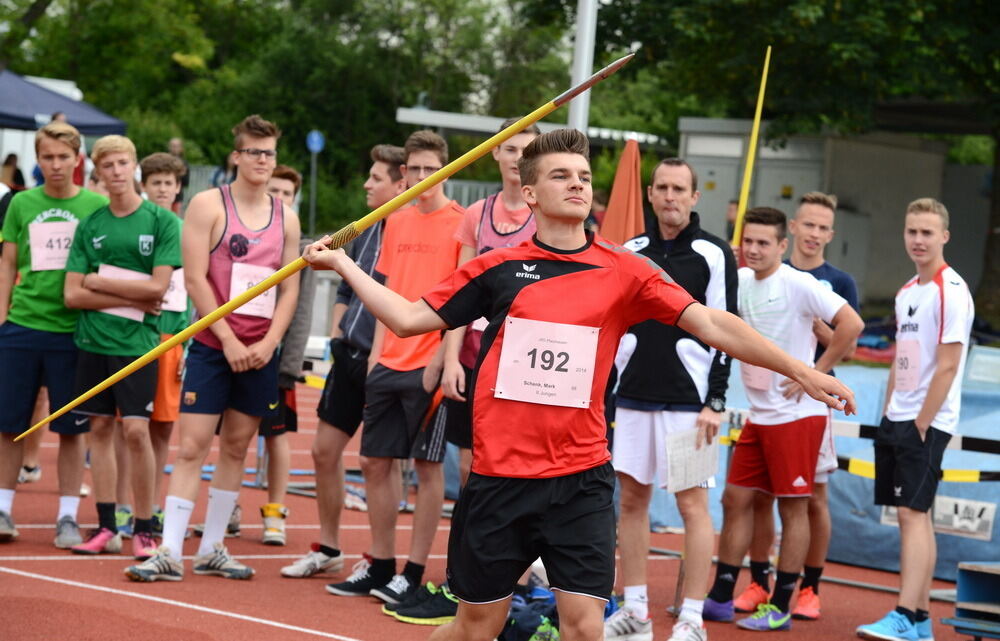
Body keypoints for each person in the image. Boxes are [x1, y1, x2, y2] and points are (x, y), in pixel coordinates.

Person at [302, 129, 856, 641]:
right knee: (477, 625)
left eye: (584, 176)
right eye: (561, 175)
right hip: (501, 477)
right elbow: (406, 318)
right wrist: (344, 265)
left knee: (586, 626)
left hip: (580, 478)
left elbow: (712, 322)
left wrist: (803, 370)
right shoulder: (496, 268)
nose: (577, 184)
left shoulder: (623, 269)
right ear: (530, 191)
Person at [125, 115, 300, 582]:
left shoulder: (287, 216)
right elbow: (197, 278)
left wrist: (269, 342)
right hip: (210, 345)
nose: (263, 161)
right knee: (192, 448)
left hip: (261, 350)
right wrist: (225, 339)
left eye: (270, 153)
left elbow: (290, 290)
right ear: (237, 156)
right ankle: (168, 550)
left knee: (237, 447)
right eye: (255, 152)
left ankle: (213, 547)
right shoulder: (208, 205)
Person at [703, 207, 863, 632]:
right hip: (759, 415)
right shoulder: (740, 283)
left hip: (798, 415)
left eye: (762, 243)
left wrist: (817, 371)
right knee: (735, 500)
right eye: (748, 242)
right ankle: (721, 595)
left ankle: (783, 603)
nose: (753, 250)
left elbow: (852, 323)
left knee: (795, 509)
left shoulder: (798, 283)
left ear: (781, 246)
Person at [325, 130, 463, 605]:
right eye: (416, 169)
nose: (424, 178)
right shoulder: (395, 221)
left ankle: (414, 572)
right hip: (388, 358)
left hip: (429, 362)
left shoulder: (461, 225)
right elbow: (387, 290)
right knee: (372, 461)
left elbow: (461, 302)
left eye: (433, 169)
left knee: (427, 469)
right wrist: (379, 355)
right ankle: (380, 563)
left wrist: (441, 357)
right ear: (405, 172)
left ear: (447, 170)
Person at [604, 158, 737, 641]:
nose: (670, 196)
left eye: (679, 188)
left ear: (695, 197)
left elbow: (726, 329)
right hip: (634, 399)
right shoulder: (630, 252)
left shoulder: (715, 255)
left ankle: (692, 618)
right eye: (662, 187)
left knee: (692, 508)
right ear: (650, 193)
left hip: (689, 406)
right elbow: (613, 323)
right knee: (632, 502)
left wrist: (715, 402)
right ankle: (635, 610)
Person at [281, 145, 406, 578]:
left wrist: (377, 351)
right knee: (322, 451)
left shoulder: (408, 231)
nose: (367, 184)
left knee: (379, 462)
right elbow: (343, 287)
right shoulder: (364, 227)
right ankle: (329, 546)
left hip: (388, 360)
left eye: (375, 178)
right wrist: (337, 334)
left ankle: (379, 558)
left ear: (400, 182)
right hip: (348, 355)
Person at [856, 198, 974, 641]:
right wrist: (890, 411)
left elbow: (947, 365)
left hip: (926, 421)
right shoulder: (908, 290)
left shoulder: (952, 290)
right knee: (913, 516)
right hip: (897, 417)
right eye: (912, 232)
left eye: (927, 232)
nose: (918, 240)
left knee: (912, 514)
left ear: (944, 236)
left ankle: (906, 613)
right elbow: (900, 359)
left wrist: (923, 421)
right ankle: (920, 621)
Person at [62, 135, 181, 559]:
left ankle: (145, 528)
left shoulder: (161, 222)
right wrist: (129, 294)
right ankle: (106, 526)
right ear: (98, 171)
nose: (115, 172)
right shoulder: (91, 225)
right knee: (99, 430)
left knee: (136, 431)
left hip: (138, 345)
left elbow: (159, 287)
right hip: (93, 340)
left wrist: (99, 280)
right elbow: (73, 295)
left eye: (122, 163)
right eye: (107, 165)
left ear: (134, 166)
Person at [0, 122, 108, 548]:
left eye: (64, 157)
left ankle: (67, 517)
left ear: (78, 159)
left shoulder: (94, 205)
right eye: (48, 157)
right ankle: (4, 509)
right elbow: (8, 264)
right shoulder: (21, 203)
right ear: (38, 160)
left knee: (71, 429)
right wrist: (3, 318)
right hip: (23, 326)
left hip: (74, 331)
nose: (56, 165)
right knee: (10, 425)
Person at [439, 118, 540, 490]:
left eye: (526, 151)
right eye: (510, 148)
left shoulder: (545, 215)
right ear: (495, 151)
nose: (517, 158)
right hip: (473, 356)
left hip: (522, 359)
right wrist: (450, 359)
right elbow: (459, 294)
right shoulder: (477, 214)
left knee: (516, 463)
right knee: (469, 464)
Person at [256, 163, 315, 545]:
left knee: (276, 436)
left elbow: (303, 310)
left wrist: (290, 364)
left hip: (277, 361)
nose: (279, 200)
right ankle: (226, 509)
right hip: (237, 349)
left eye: (287, 194)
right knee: (231, 433)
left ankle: (275, 512)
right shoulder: (243, 237)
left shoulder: (302, 250)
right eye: (273, 192)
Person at [140, 152, 190, 534]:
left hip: (173, 337)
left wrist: (190, 343)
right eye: (155, 182)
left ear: (177, 188)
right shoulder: (137, 225)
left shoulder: (187, 230)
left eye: (168, 183)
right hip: (136, 336)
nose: (161, 189)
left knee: (161, 429)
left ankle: (153, 506)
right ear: (144, 185)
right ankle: (130, 506)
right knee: (132, 429)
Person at [167, 138, 191, 213]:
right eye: (173, 146)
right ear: (169, 147)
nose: (174, 148)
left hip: (177, 196)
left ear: (181, 148)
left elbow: (186, 182)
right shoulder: (164, 161)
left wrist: (179, 174)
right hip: (164, 195)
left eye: (177, 146)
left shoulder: (184, 163)